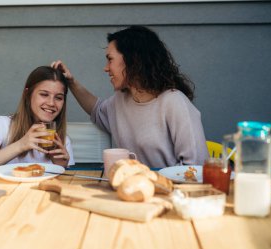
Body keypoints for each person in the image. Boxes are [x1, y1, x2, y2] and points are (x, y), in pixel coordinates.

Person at [51, 25, 208, 168]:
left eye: (110, 59)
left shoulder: (174, 102)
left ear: (133, 60)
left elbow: (195, 167)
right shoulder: (121, 100)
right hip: (131, 191)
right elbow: (97, 110)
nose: (106, 68)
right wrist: (71, 82)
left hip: (169, 193)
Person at [0, 66, 74, 168]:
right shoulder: (4, 125)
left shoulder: (63, 140)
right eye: (44, 94)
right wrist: (21, 145)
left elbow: (64, 184)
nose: (51, 103)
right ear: (27, 94)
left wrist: (61, 167)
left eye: (59, 98)